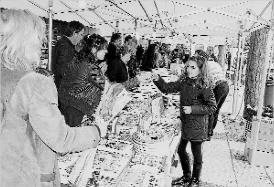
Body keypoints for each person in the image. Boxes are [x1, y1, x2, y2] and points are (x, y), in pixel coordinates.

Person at [0, 9, 101, 187]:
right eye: (40, 38)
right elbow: (61, 139)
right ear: (28, 41)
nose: (43, 43)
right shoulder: (35, 83)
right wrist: (97, 132)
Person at [152, 56, 216, 186]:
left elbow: (212, 107)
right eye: (188, 66)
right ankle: (187, 176)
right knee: (181, 150)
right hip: (186, 123)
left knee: (196, 155)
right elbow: (167, 88)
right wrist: (158, 79)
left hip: (198, 126)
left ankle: (195, 180)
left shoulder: (205, 85)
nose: (189, 70)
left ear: (201, 69)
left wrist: (192, 109)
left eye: (193, 67)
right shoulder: (184, 81)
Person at [58, 34, 108, 126]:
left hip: (67, 101)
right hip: (78, 106)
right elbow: (103, 84)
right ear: (94, 48)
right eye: (104, 48)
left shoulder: (78, 58)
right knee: (75, 135)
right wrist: (102, 72)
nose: (106, 51)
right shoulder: (90, 65)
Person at [195, 49, 229, 140]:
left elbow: (207, 83)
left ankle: (207, 134)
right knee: (216, 110)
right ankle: (210, 132)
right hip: (225, 86)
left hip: (218, 87)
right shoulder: (214, 63)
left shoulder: (205, 66)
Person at [52, 20, 85, 90]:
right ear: (75, 33)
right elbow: (64, 71)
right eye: (81, 34)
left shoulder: (63, 43)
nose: (82, 38)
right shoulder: (66, 47)